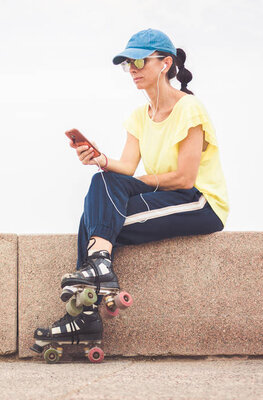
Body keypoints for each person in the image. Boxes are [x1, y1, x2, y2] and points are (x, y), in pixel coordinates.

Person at [31, 28, 229, 355]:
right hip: (166, 195)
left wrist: (137, 183)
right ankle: (97, 271)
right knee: (102, 182)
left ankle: (86, 314)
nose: (132, 69)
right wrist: (101, 159)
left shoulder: (189, 108)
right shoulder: (139, 116)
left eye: (139, 60)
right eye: (127, 63)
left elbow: (184, 177)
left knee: (99, 218)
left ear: (165, 63)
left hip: (199, 203)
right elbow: (126, 166)